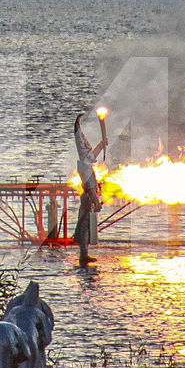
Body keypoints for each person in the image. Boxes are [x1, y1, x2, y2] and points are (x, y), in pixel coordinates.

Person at [6, 286, 52, 368]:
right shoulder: (39, 312)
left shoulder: (15, 309)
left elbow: (6, 323)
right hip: (33, 344)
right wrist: (42, 344)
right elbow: (48, 335)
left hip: (16, 342)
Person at [73, 113, 107, 266]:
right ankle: (83, 256)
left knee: (86, 226)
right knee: (85, 227)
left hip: (88, 199)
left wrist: (101, 144)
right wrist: (96, 202)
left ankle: (84, 255)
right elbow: (91, 189)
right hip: (88, 199)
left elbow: (92, 155)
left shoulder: (86, 165)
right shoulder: (85, 169)